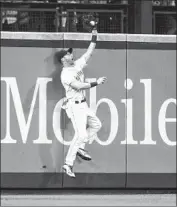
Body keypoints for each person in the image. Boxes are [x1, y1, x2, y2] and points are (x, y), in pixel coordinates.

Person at [55, 26, 107, 177]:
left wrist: (94, 37)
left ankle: (80, 148)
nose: (71, 55)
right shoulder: (65, 75)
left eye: (70, 53)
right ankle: (67, 164)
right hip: (74, 106)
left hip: (83, 104)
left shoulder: (77, 64)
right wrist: (96, 82)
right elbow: (79, 86)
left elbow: (89, 52)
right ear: (63, 59)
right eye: (68, 54)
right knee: (81, 135)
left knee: (96, 125)